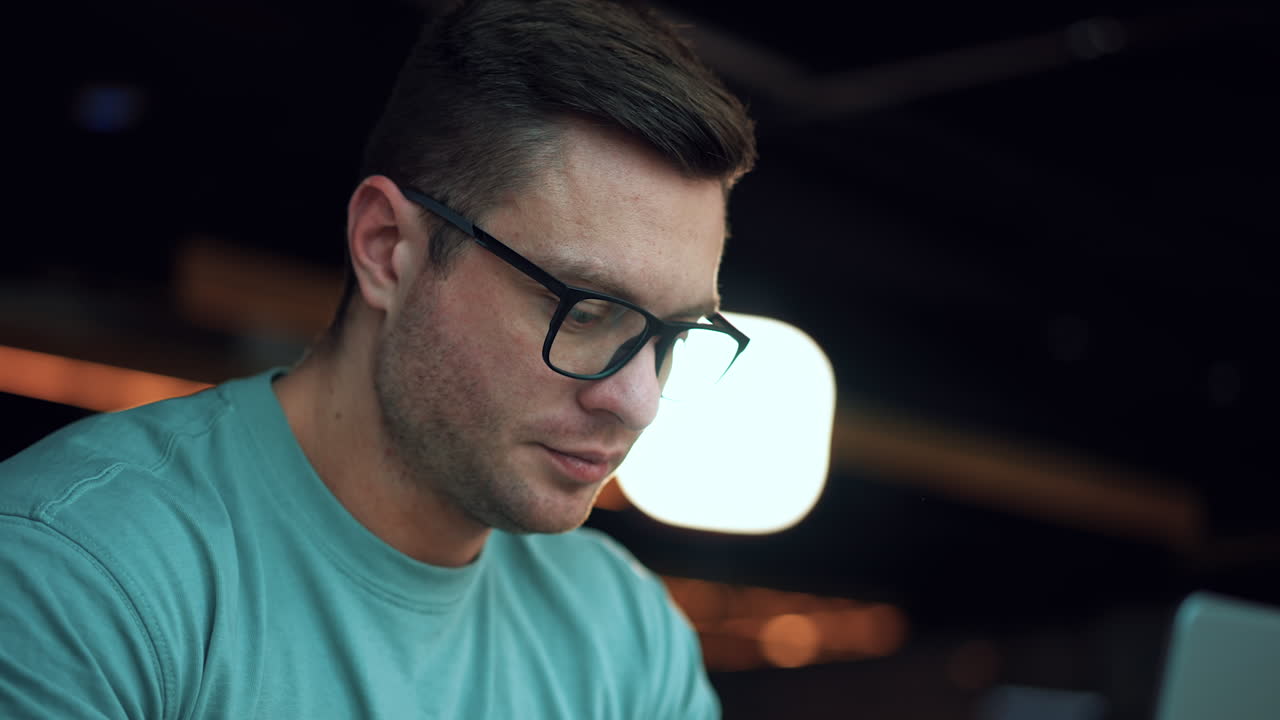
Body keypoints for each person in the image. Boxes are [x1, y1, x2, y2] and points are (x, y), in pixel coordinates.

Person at [0, 0, 756, 716]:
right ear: (388, 250)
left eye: (676, 333)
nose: (637, 401)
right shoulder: (73, 572)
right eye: (588, 311)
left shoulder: (626, 638)